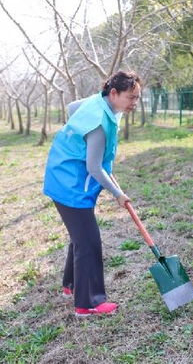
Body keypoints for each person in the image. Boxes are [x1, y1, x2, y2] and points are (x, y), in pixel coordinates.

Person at [43, 71, 141, 316]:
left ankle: (71, 285)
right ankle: (88, 303)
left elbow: (71, 106)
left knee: (80, 237)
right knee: (88, 244)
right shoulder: (97, 122)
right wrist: (118, 193)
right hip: (71, 185)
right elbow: (94, 167)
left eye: (137, 98)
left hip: (61, 175)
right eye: (131, 97)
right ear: (114, 93)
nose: (134, 103)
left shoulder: (99, 103)